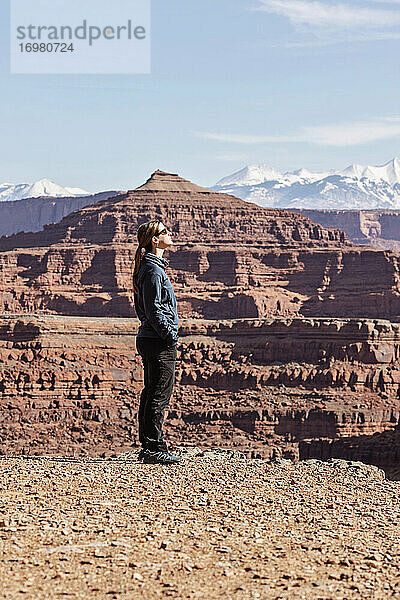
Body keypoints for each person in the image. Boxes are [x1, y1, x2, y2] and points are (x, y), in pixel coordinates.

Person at [132, 220, 183, 465]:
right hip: (157, 339)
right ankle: (154, 447)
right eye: (164, 231)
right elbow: (153, 309)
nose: (169, 234)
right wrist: (169, 334)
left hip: (150, 338)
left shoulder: (150, 267)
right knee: (158, 395)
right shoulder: (153, 270)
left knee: (151, 392)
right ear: (155, 239)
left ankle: (149, 445)